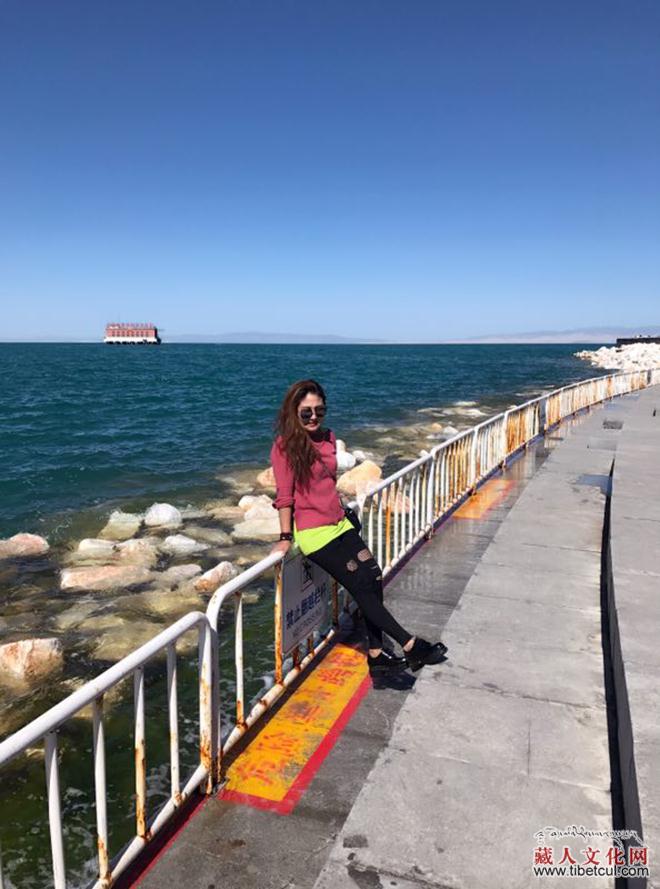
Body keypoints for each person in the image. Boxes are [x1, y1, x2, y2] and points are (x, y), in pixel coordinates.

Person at [269, 378, 447, 678]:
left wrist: (340, 508)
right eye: (306, 412)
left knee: (373, 577)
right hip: (315, 533)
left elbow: (327, 482)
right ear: (293, 412)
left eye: (319, 411)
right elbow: (284, 496)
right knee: (359, 586)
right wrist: (286, 536)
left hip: (340, 522)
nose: (313, 417)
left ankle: (376, 654)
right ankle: (410, 644)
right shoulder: (284, 447)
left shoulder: (327, 437)